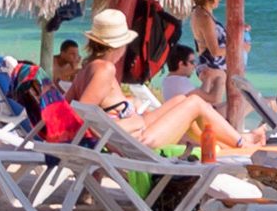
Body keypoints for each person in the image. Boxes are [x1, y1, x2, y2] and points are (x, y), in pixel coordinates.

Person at [76, 11, 256, 161]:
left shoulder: (90, 66)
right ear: (120, 45)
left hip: (129, 135)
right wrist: (132, 122)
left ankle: (227, 145)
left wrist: (128, 108)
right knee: (195, 103)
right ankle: (241, 143)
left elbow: (71, 107)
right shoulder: (105, 69)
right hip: (135, 142)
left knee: (181, 100)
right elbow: (81, 117)